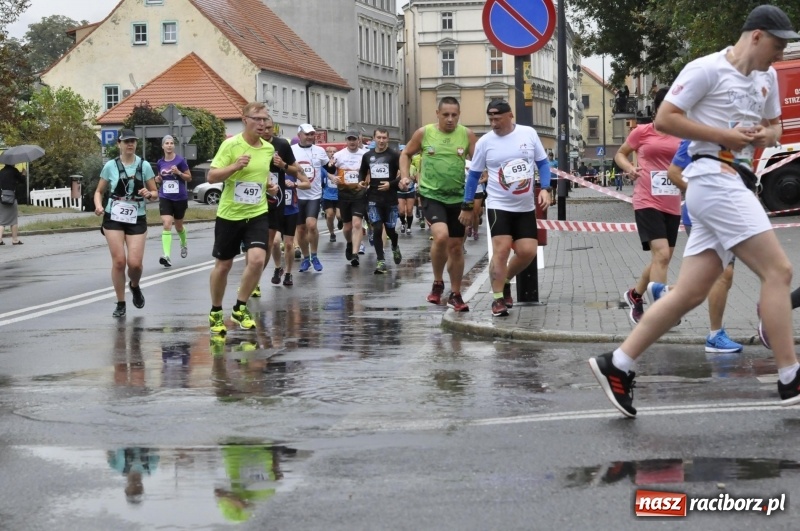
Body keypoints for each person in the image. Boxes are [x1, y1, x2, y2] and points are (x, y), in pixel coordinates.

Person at [589, 5, 800, 418]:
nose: (780, 55)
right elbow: (666, 119)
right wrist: (724, 135)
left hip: (733, 179)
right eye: (777, 45)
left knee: (689, 293)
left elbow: (777, 127)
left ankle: (618, 363)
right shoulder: (705, 69)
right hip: (711, 175)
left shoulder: (768, 77)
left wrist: (763, 134)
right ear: (756, 35)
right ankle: (791, 374)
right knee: (779, 272)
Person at [459, 99, 552, 316]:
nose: (493, 123)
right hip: (499, 205)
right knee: (500, 251)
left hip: (525, 206)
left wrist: (546, 188)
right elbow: (473, 176)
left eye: (497, 118)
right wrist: (467, 203)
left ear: (510, 116)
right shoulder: (485, 142)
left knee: (528, 251)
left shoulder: (528, 134)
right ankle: (498, 299)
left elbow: (543, 163)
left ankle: (506, 279)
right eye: (490, 118)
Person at [657, 139, 742, 353]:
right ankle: (715, 335)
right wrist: (703, 195)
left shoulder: (729, 133)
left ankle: (665, 293)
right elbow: (674, 173)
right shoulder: (695, 136)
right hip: (703, 216)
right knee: (724, 274)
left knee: (714, 277)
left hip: (727, 215)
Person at [400, 96, 477, 311]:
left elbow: (479, 162)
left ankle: (455, 293)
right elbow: (406, 153)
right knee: (441, 236)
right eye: (446, 115)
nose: (450, 119)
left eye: (454, 115)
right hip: (431, 195)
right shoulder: (424, 133)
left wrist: (485, 174)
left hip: (458, 197)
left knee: (456, 247)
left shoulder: (467, 135)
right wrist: (405, 176)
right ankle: (437, 282)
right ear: (437, 114)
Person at [614, 87, 682, 326]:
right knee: (662, 254)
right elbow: (620, 154)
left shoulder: (683, 134)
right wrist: (629, 168)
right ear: (658, 108)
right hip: (646, 199)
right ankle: (663, 312)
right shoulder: (642, 132)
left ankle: (635, 295)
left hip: (672, 202)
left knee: (661, 259)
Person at [207, 102, 276, 334]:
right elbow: (211, 176)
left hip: (257, 212)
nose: (262, 123)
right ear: (245, 119)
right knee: (224, 265)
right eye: (257, 118)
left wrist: (270, 187)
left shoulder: (267, 149)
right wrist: (235, 166)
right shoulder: (231, 145)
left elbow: (260, 176)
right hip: (229, 214)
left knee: (256, 260)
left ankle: (239, 307)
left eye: (265, 119)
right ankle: (216, 310)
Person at [94, 129, 158, 318]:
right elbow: (99, 191)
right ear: (119, 144)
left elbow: (155, 193)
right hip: (113, 216)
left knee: (135, 264)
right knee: (120, 261)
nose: (130, 144)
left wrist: (149, 194)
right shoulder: (110, 166)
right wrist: (98, 206)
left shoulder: (144, 165)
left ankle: (135, 285)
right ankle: (121, 302)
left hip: (136, 216)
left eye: (133, 141)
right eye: (126, 141)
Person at [360, 127, 405, 274]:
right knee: (377, 228)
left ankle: (395, 246)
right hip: (373, 197)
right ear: (374, 138)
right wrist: (362, 182)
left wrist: (390, 184)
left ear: (388, 139)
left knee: (391, 230)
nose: (381, 140)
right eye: (378, 137)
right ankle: (381, 260)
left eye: (384, 138)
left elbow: (404, 175)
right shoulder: (367, 156)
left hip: (390, 198)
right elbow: (362, 171)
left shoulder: (394, 155)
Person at [328, 130, 368, 267]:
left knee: (357, 224)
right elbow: (329, 170)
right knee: (346, 227)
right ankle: (350, 243)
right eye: (349, 139)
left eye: (354, 139)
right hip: (344, 194)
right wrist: (333, 176)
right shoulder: (339, 155)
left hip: (359, 193)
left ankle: (355, 254)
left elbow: (369, 171)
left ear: (358, 140)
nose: (352, 142)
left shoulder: (364, 155)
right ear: (346, 140)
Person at [292, 124, 328, 272]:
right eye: (307, 134)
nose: (310, 137)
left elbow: (328, 167)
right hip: (297, 194)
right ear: (299, 135)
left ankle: (314, 255)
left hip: (314, 194)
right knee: (300, 229)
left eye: (312, 134)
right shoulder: (292, 151)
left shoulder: (320, 151)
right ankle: (306, 258)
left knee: (311, 225)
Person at [154, 135, 191, 268]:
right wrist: (158, 180)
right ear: (163, 146)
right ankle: (167, 256)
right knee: (167, 223)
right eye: (167, 143)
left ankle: (183, 243)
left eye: (171, 143)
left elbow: (189, 178)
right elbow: (160, 177)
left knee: (179, 226)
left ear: (174, 146)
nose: (169, 145)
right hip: (165, 196)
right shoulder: (160, 162)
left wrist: (179, 173)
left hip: (180, 197)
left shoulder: (180, 160)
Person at [0, 163, 25, 245]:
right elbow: (22, 181)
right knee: (13, 220)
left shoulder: (1, 172)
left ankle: (0, 240)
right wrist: (23, 174)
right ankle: (14, 239)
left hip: (2, 198)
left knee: (2, 220)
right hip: (11, 198)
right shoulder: (14, 171)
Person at [396, 144, 416, 235]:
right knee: (401, 210)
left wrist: (413, 178)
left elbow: (417, 176)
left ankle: (409, 227)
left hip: (410, 190)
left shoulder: (413, 167)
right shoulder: (396, 167)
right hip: (400, 191)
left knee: (409, 210)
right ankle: (403, 223)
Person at [322, 145, 340, 242]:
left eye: (334, 151)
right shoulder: (323, 166)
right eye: (330, 151)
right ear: (326, 153)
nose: (332, 153)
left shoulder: (339, 164)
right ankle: (332, 233)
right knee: (329, 215)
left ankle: (340, 221)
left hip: (339, 195)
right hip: (327, 195)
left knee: (339, 216)